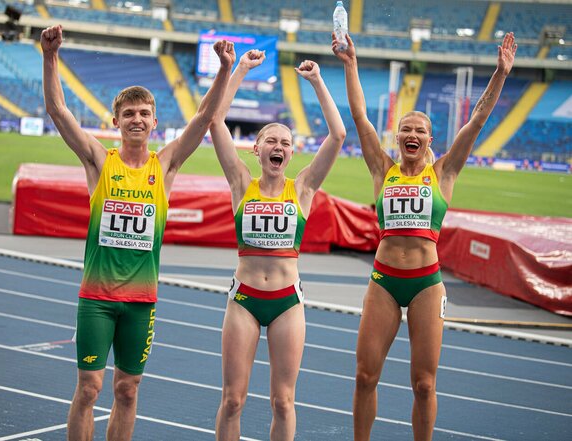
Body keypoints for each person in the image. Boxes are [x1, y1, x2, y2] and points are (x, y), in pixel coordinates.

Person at [40, 25, 233, 440]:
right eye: (129, 114)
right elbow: (58, 110)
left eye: (144, 113)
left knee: (127, 391)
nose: (137, 119)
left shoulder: (164, 167)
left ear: (154, 122)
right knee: (89, 390)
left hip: (141, 302)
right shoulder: (98, 160)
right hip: (97, 298)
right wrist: (50, 55)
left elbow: (202, 118)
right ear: (116, 121)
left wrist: (223, 70)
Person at [333, 32, 517, 440]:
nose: (412, 134)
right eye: (405, 130)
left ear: (429, 140)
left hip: (426, 286)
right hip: (383, 281)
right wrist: (350, 64)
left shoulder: (443, 173)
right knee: (365, 376)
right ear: (397, 138)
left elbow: (477, 121)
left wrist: (500, 75)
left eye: (419, 130)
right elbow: (361, 117)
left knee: (424, 384)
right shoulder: (383, 170)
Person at [211, 49, 346, 441]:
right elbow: (215, 119)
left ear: (290, 153)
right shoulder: (240, 183)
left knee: (283, 401)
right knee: (233, 399)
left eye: (285, 142)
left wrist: (318, 82)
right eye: (270, 140)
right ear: (256, 149)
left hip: (288, 301)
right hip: (244, 301)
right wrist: (241, 69)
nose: (278, 146)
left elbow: (338, 135)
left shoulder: (302, 188)